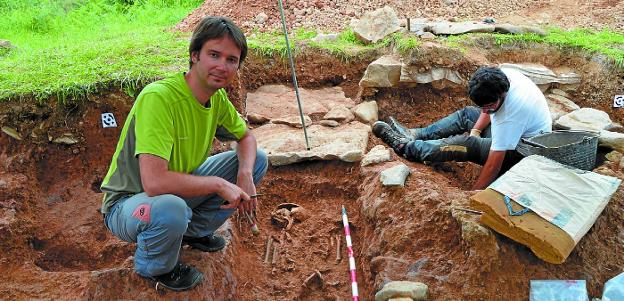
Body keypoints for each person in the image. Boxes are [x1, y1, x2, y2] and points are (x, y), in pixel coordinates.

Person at [100, 16, 268, 292]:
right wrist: (218, 183)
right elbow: (154, 183)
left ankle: (192, 232)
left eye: (231, 59)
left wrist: (245, 174)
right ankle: (155, 266)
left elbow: (246, 136)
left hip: (172, 193)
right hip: (129, 205)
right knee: (171, 208)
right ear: (194, 55)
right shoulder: (160, 98)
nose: (222, 66)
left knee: (257, 159)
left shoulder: (216, 99)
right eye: (214, 55)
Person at [373, 66, 551, 190]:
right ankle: (415, 134)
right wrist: (477, 130)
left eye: (489, 107)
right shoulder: (502, 77)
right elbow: (488, 109)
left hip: (521, 154)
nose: (485, 111)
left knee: (465, 144)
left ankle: (406, 147)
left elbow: (494, 165)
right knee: (468, 115)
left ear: (502, 95)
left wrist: (472, 195)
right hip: (514, 134)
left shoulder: (512, 113)